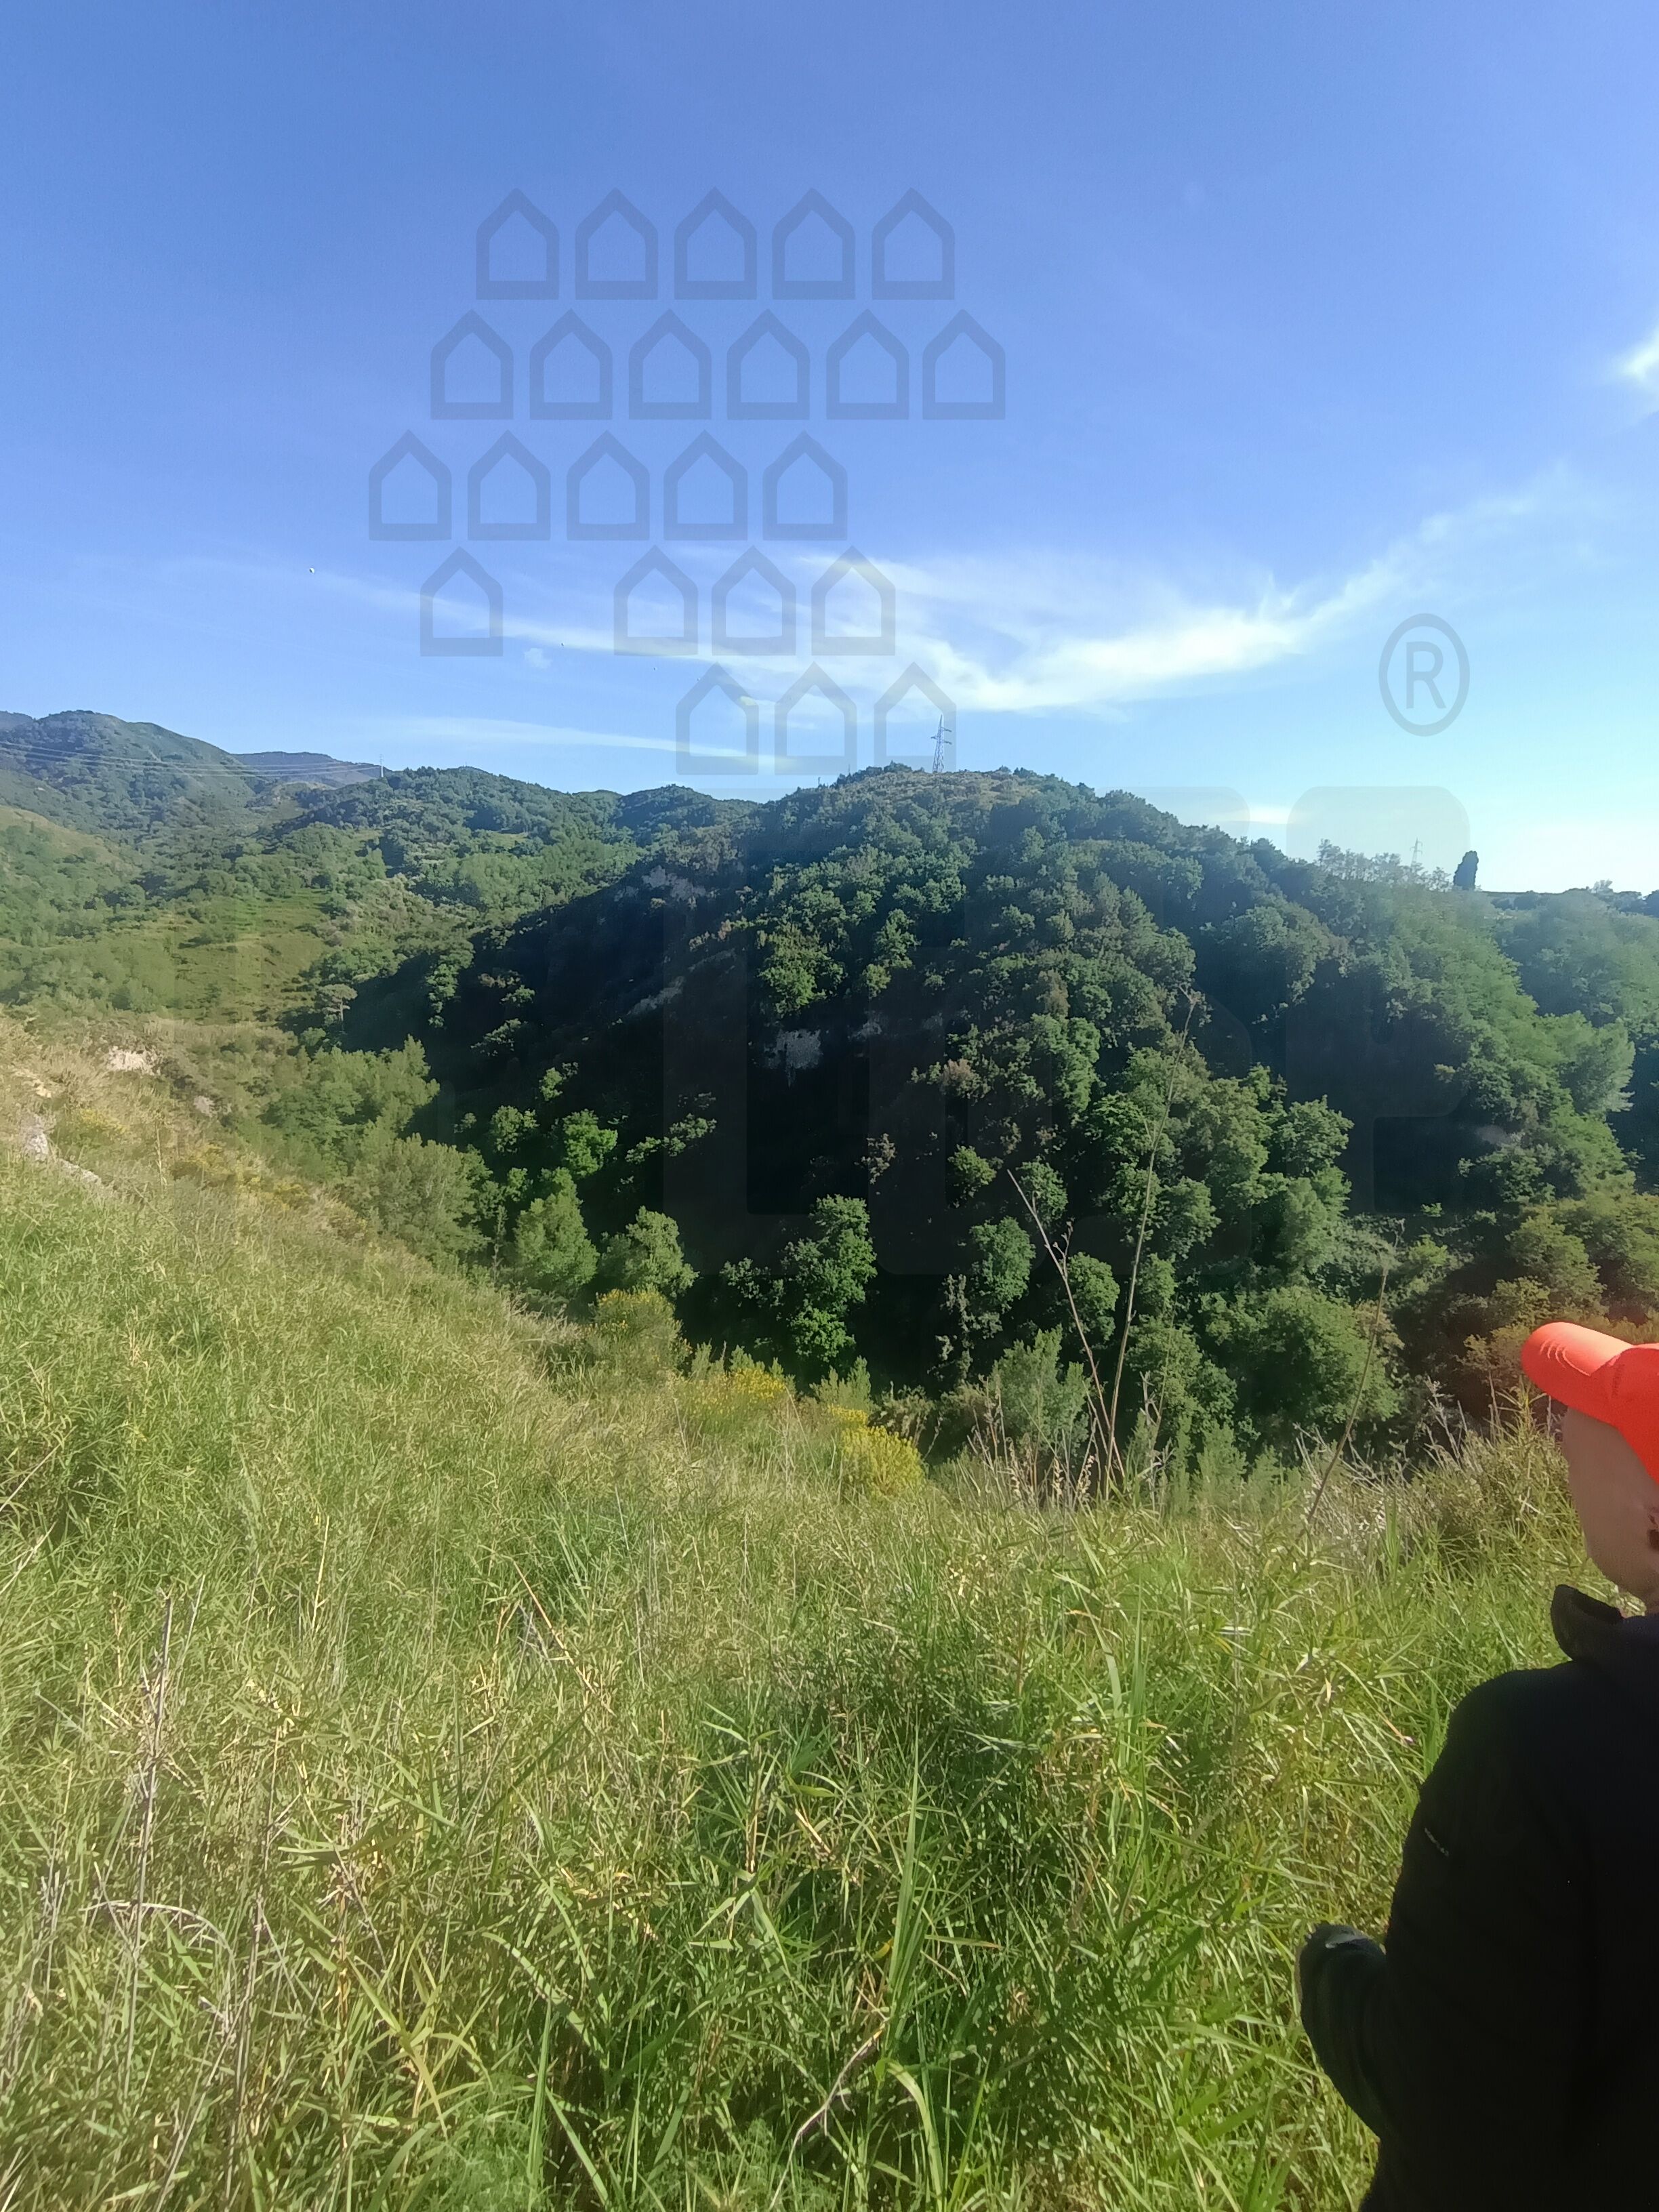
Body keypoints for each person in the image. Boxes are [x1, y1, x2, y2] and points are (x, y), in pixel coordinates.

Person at [1297, 1321, 1659, 2209]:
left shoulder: (1538, 1750)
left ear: (1655, 1518)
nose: (1563, 1434)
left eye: (1595, 1418)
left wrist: (1330, 1971)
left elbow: (1448, 2120)